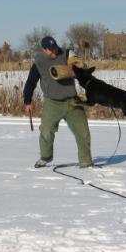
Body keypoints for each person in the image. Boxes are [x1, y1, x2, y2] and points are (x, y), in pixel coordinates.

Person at [23, 36, 93, 168]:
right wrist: (27, 101)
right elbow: (31, 82)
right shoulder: (39, 63)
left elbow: (79, 64)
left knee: (83, 132)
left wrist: (77, 62)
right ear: (44, 49)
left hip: (72, 101)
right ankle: (46, 157)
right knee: (46, 131)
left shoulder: (66, 54)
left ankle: (86, 161)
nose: (54, 52)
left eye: (55, 48)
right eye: (50, 50)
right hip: (52, 103)